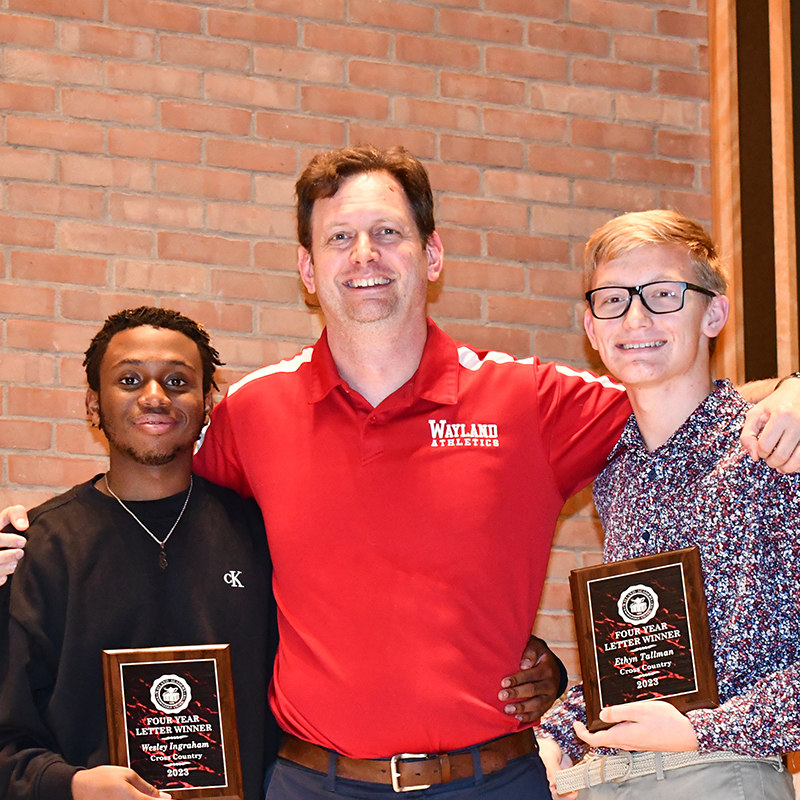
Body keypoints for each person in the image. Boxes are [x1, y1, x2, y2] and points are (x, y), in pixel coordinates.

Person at [2, 147, 800, 799]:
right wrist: (24, 538)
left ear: (433, 253)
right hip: (313, 781)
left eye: (388, 233)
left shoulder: (530, 398)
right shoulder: (253, 412)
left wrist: (793, 392)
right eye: (339, 239)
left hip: (494, 779)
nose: (366, 257)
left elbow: (677, 394)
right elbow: (147, 494)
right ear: (308, 270)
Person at [535, 210, 799, 799]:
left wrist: (698, 730)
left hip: (720, 775)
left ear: (714, 313)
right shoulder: (614, 471)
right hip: (606, 779)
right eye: (613, 300)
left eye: (662, 295)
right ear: (592, 328)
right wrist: (557, 735)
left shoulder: (778, 444)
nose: (636, 317)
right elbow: (643, 653)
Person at [0, 307, 280, 800]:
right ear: (93, 404)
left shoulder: (264, 534)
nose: (155, 397)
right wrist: (72, 786)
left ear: (207, 403)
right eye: (130, 379)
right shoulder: (38, 548)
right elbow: (8, 732)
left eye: (177, 381)